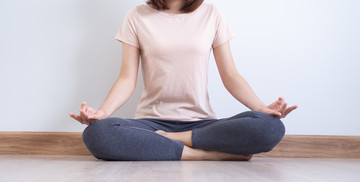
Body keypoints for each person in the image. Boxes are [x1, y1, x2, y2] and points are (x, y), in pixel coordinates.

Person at [69, 0, 297, 161]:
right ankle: (203, 155)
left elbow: (230, 75)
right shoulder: (136, 16)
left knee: (270, 127)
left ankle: (171, 140)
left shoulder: (212, 14)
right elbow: (127, 78)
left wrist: (260, 108)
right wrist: (103, 113)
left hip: (202, 123)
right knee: (96, 133)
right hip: (151, 123)